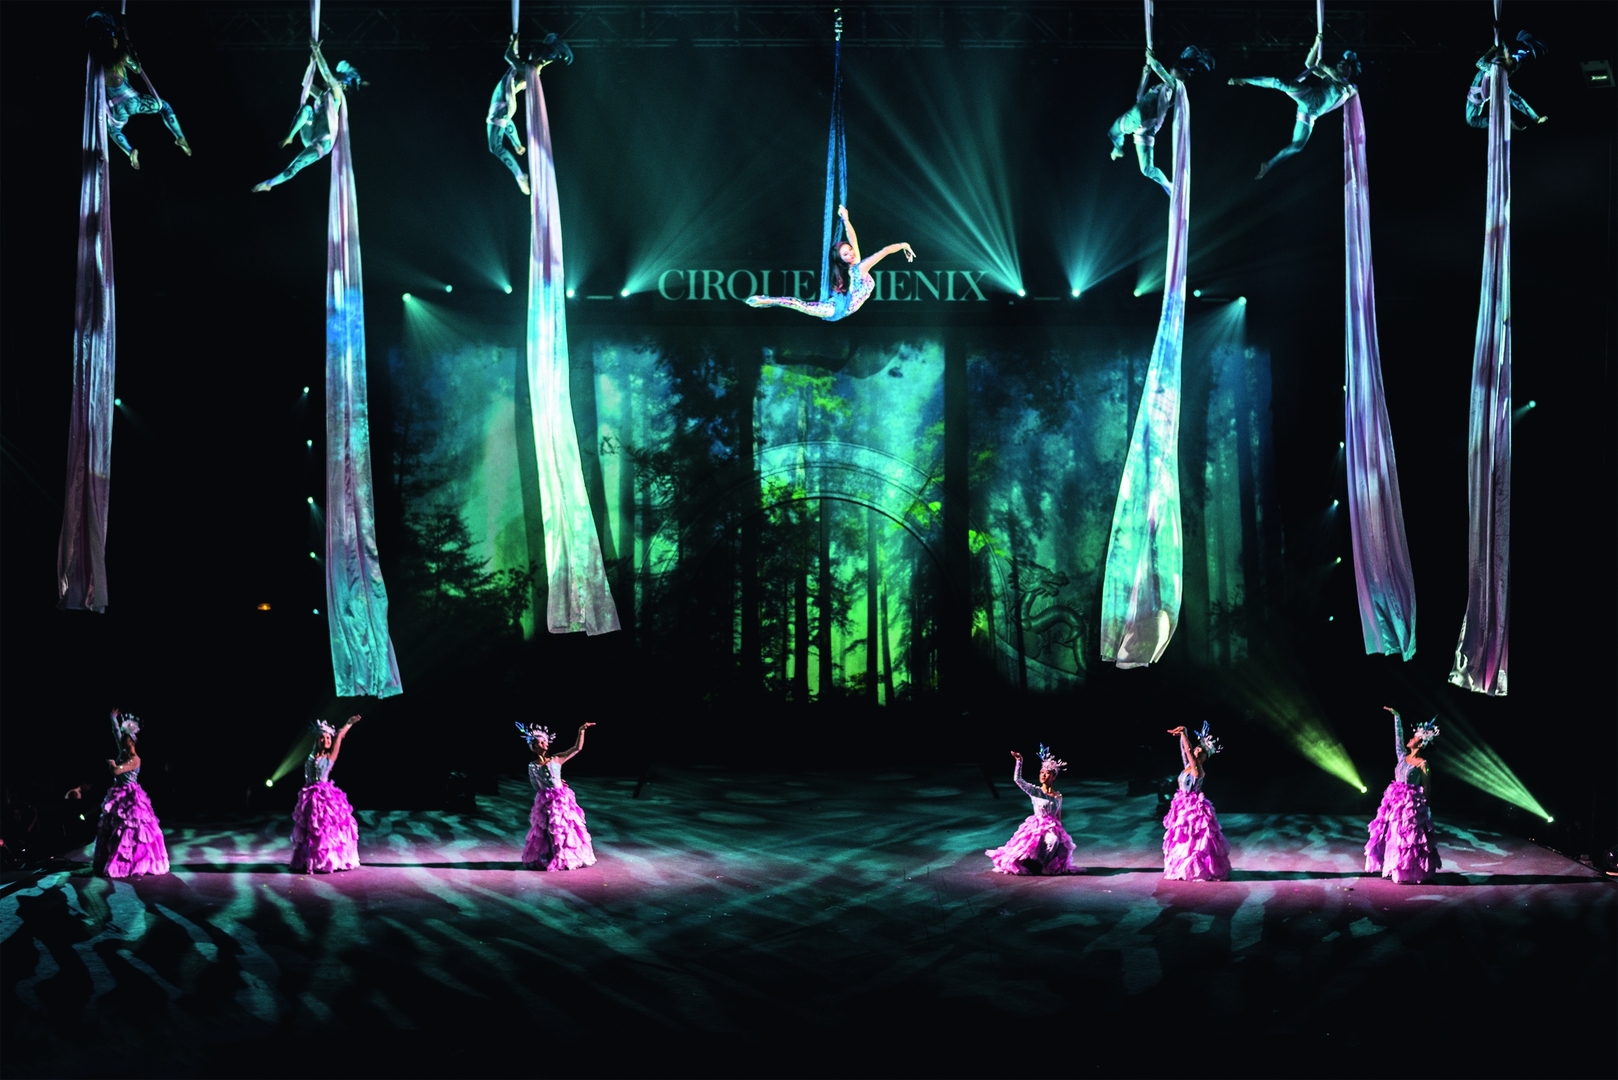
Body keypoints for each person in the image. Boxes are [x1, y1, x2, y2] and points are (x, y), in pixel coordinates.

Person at [745, 205, 915, 321]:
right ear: (841, 260)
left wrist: (846, 219)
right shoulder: (859, 268)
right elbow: (884, 251)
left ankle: (768, 301)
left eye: (850, 251)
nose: (851, 254)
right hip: (837, 308)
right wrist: (903, 245)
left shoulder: (856, 264)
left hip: (840, 306)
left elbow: (854, 240)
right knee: (801, 306)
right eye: (846, 254)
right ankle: (767, 300)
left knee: (802, 306)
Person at [1229, 46, 1360, 179]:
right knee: (1278, 82)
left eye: (1345, 65)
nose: (1341, 65)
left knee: (1297, 146)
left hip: (1311, 114)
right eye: (1340, 63)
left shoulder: (1351, 88)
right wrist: (1315, 45)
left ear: (1351, 70)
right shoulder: (1328, 77)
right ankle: (1244, 80)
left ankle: (1269, 164)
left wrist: (1324, 66)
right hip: (1308, 97)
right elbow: (1309, 64)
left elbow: (1338, 77)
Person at [87, 11, 190, 170]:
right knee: (164, 106)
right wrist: (132, 51)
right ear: (113, 41)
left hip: (116, 109)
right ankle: (179, 136)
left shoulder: (97, 61)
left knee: (113, 130)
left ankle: (130, 152)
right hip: (133, 101)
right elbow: (137, 69)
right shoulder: (121, 56)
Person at [253, 45, 363, 192]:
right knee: (306, 109)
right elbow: (306, 84)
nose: (331, 81)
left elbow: (326, 73)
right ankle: (289, 137)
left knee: (295, 165)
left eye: (336, 80)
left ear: (340, 83)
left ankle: (270, 184)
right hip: (310, 133)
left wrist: (317, 52)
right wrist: (311, 63)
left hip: (322, 141)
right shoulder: (322, 95)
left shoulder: (337, 95)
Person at [1108, 46, 1213, 195]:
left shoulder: (1174, 85)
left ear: (1183, 74)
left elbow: (1158, 68)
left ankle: (1117, 148)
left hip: (1139, 118)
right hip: (1146, 128)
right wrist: (1145, 74)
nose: (1171, 69)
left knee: (1113, 132)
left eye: (1174, 68)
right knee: (1147, 169)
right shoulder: (1165, 88)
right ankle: (1168, 185)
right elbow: (1139, 96)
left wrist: (1151, 58)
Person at [487, 32, 574, 196]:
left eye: (533, 53)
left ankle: (520, 177)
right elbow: (516, 57)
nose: (530, 53)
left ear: (537, 57)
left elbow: (509, 56)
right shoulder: (530, 68)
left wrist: (514, 41)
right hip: (502, 107)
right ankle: (517, 145)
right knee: (501, 130)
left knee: (495, 147)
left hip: (502, 107)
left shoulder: (528, 70)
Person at [1364, 706, 1442, 884]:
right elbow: (1398, 737)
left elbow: (1427, 787)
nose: (1410, 739)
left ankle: (1410, 869)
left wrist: (1427, 809)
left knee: (1409, 838)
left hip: (1411, 804)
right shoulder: (1402, 756)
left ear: (1420, 744)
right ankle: (1395, 866)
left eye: (1414, 738)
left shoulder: (1423, 763)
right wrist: (1397, 717)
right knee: (1393, 835)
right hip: (1395, 800)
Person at [92, 710, 170, 878]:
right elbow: (116, 734)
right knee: (115, 828)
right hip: (118, 794)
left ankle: (131, 861)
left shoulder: (134, 759)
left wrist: (112, 764)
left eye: (126, 738)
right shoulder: (124, 751)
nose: (122, 740)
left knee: (131, 828)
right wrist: (113, 719)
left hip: (130, 796)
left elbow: (116, 771)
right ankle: (110, 858)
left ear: (132, 741)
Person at [985, 745, 1079, 875]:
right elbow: (1018, 780)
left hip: (1052, 827)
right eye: (1041, 772)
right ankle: (1034, 864)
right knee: (1028, 847)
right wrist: (1019, 761)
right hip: (1037, 826)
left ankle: (1045, 866)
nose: (1043, 775)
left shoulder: (1058, 796)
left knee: (1054, 841)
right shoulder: (1036, 791)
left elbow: (1058, 815)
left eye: (1047, 773)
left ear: (1054, 776)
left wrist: (1060, 831)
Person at [516, 721, 597, 871]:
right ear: (534, 747)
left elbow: (577, 748)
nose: (545, 744)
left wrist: (581, 731)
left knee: (564, 827)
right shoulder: (532, 766)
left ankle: (566, 856)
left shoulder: (556, 758)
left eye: (545, 741)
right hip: (546, 800)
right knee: (549, 829)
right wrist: (546, 790)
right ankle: (552, 855)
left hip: (561, 799)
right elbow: (535, 785)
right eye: (541, 742)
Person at [289, 716, 362, 874]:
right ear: (318, 740)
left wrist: (348, 724)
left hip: (324, 796)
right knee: (309, 829)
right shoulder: (311, 757)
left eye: (328, 738)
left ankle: (326, 860)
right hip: (309, 796)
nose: (326, 740)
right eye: (323, 738)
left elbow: (339, 737)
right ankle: (309, 859)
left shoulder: (329, 757)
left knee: (324, 829)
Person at [1162, 722, 1231, 881]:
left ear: (1205, 757)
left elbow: (1189, 752)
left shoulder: (1198, 769)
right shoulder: (1188, 766)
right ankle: (1183, 868)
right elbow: (1185, 751)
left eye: (1202, 751)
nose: (1198, 750)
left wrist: (1184, 735)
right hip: (1181, 804)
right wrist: (1183, 734)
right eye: (1197, 748)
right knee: (1183, 838)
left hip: (1194, 808)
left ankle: (1198, 869)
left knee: (1196, 840)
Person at [1466, 32, 1549, 130]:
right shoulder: (1514, 64)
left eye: (1507, 54)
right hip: (1495, 84)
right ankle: (1535, 118)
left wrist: (1492, 49)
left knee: (1471, 120)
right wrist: (1498, 31)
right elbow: (1505, 45)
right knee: (1514, 98)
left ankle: (1507, 123)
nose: (1506, 52)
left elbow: (1479, 63)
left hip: (1480, 90)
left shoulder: (1495, 68)